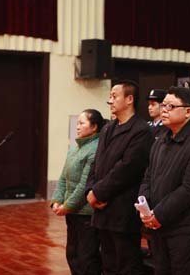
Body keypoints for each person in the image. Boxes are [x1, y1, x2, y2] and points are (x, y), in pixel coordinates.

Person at [138, 86, 190, 275]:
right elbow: (148, 176)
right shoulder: (161, 139)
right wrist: (145, 206)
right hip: (159, 227)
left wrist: (158, 215)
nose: (164, 110)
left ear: (188, 111)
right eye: (163, 105)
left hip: (186, 230)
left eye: (170, 106)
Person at [85, 80, 154, 275]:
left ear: (129, 99)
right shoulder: (108, 128)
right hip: (102, 209)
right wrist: (90, 190)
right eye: (110, 96)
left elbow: (127, 169)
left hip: (122, 209)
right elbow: (96, 162)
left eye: (115, 96)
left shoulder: (141, 130)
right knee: (107, 263)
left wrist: (98, 192)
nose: (110, 101)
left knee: (126, 264)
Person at [51, 109, 105, 275]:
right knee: (72, 254)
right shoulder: (74, 149)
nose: (78, 127)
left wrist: (67, 206)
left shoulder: (95, 149)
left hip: (86, 213)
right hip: (72, 211)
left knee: (86, 258)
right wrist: (56, 201)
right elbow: (62, 178)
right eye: (78, 123)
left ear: (94, 126)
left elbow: (84, 185)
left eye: (82, 123)